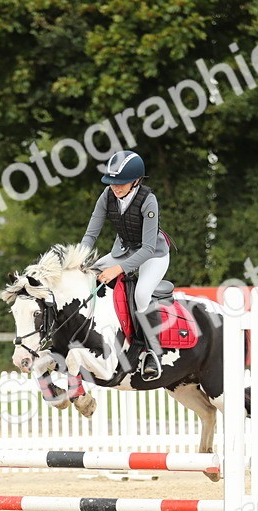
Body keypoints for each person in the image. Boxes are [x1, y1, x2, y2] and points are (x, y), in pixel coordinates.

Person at [80, 150, 171, 380]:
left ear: (137, 181)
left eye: (121, 183)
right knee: (88, 274)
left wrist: (117, 269)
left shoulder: (148, 200)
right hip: (123, 251)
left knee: (141, 294)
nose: (116, 188)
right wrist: (78, 258)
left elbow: (148, 249)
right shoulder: (107, 195)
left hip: (153, 256)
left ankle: (153, 352)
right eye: (112, 183)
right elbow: (91, 234)